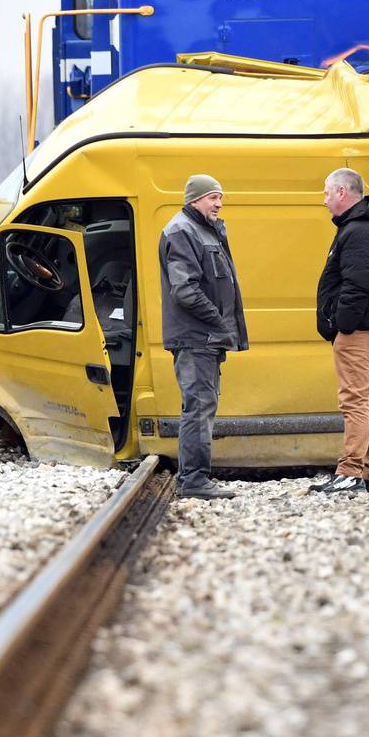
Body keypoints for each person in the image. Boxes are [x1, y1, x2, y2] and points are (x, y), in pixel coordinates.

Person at [159, 174, 248, 500]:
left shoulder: (199, 229)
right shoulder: (183, 231)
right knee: (198, 408)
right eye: (213, 198)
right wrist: (218, 322)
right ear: (195, 199)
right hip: (196, 338)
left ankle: (195, 478)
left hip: (203, 338)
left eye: (220, 197)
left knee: (200, 406)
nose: (219, 203)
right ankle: (194, 481)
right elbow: (185, 289)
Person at [312, 168, 369, 494]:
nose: (324, 201)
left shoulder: (360, 230)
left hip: (360, 334)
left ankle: (349, 473)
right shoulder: (365, 226)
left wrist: (342, 326)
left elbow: (359, 285)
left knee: (354, 404)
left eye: (326, 193)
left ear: (342, 193)